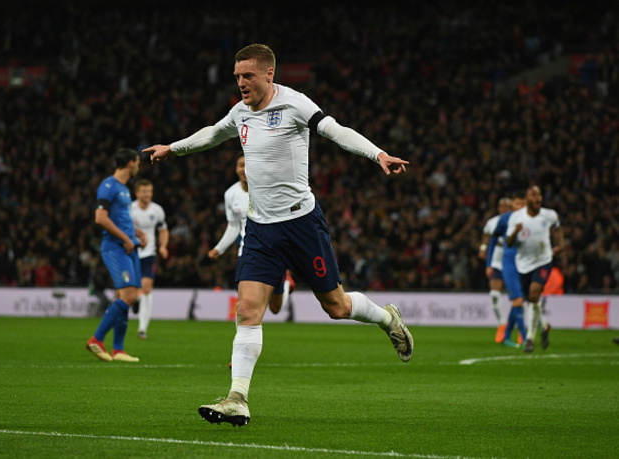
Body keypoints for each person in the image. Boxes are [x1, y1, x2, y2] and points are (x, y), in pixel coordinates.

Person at [143, 43, 413, 426]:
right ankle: (238, 397)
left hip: (302, 224)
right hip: (260, 228)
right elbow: (212, 134)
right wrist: (174, 148)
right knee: (248, 311)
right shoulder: (240, 112)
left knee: (336, 306)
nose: (240, 83)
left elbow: (337, 131)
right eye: (237, 76)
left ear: (269, 74)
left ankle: (388, 319)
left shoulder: (295, 104)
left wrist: (378, 154)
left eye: (248, 75)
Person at [208, 153, 295, 316]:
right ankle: (242, 340)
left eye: (247, 165)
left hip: (273, 251)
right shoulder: (230, 194)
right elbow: (234, 226)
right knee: (244, 305)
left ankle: (286, 285)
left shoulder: (270, 189)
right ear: (235, 169)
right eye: (240, 165)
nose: (244, 169)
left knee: (275, 308)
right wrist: (219, 249)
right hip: (247, 252)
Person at [86, 148, 146, 363]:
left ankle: (118, 349)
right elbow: (100, 218)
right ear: (130, 163)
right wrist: (127, 238)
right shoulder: (109, 185)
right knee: (128, 296)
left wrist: (137, 233)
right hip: (115, 247)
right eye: (137, 162)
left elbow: (122, 218)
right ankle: (96, 339)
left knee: (128, 297)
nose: (139, 166)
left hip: (128, 246)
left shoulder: (124, 189)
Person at [506, 185, 564, 353]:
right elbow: (509, 243)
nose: (537, 197)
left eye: (539, 194)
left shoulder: (550, 215)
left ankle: (530, 338)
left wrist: (560, 245)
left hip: (543, 260)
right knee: (531, 299)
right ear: (527, 200)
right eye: (533, 194)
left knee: (534, 293)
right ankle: (544, 326)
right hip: (523, 264)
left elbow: (558, 228)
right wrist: (515, 232)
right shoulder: (517, 217)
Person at [131, 178, 169, 339]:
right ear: (137, 193)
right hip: (131, 252)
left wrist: (163, 246)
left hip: (149, 253)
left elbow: (163, 230)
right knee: (129, 291)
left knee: (146, 288)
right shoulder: (129, 209)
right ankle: (136, 299)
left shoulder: (157, 210)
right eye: (145, 191)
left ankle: (142, 328)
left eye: (150, 191)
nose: (148, 194)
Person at [491, 190, 527, 348]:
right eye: (518, 203)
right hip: (509, 263)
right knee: (518, 300)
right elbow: (493, 238)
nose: (521, 206)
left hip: (525, 263)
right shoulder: (504, 219)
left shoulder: (530, 219)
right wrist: (489, 263)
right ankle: (525, 338)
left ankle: (507, 336)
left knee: (519, 301)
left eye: (523, 204)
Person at [479, 197, 512, 343]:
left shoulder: (516, 221)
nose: (503, 209)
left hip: (513, 261)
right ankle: (502, 325)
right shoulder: (492, 222)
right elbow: (486, 237)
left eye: (507, 206)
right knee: (494, 294)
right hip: (496, 261)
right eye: (501, 206)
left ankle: (521, 329)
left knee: (518, 297)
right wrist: (483, 249)